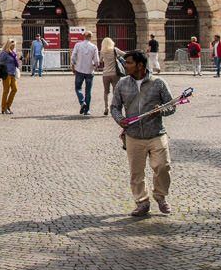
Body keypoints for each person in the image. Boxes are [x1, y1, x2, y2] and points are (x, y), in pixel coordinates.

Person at [110, 50, 176, 217]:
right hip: (133, 135)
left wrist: (160, 111)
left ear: (140, 65)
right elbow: (114, 107)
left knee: (163, 167)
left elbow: (171, 106)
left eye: (129, 63)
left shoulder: (158, 83)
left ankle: (160, 196)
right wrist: (120, 119)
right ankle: (142, 202)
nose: (125, 66)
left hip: (156, 133)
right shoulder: (122, 84)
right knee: (136, 172)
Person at [70, 31, 102, 114]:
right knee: (88, 91)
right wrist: (95, 67)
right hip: (89, 71)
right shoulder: (94, 47)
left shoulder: (78, 45)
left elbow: (73, 57)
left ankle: (82, 102)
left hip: (79, 69)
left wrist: (73, 66)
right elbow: (97, 61)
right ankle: (87, 110)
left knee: (78, 88)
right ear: (90, 37)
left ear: (84, 36)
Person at [100, 36, 125, 106]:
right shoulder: (115, 50)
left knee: (106, 91)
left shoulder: (103, 51)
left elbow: (100, 61)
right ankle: (114, 105)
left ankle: (106, 107)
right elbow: (124, 54)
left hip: (105, 74)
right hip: (115, 73)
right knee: (115, 91)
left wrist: (105, 60)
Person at [0, 39, 21, 114]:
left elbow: (15, 61)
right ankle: (4, 108)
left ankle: (8, 106)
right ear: (8, 45)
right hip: (6, 73)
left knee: (15, 89)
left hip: (13, 73)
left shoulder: (13, 53)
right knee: (6, 91)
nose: (13, 47)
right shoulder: (4, 53)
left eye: (14, 45)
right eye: (12, 45)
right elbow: (0, 65)